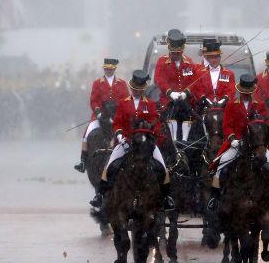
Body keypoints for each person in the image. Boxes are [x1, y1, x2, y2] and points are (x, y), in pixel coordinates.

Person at [90, 71, 174, 210]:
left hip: (145, 143)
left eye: (140, 90)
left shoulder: (150, 105)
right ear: (132, 88)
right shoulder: (123, 104)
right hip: (126, 141)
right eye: (135, 90)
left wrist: (153, 133)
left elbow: (156, 123)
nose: (137, 92)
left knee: (162, 166)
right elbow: (117, 123)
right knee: (110, 164)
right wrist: (120, 136)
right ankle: (100, 195)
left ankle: (166, 197)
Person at [208, 74, 269, 210]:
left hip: (256, 144)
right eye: (244, 93)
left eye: (249, 93)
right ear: (240, 91)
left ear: (252, 92)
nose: (246, 95)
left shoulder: (260, 105)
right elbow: (227, 125)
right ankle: (214, 199)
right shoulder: (231, 105)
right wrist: (232, 138)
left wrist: (261, 127)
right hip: (237, 143)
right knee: (220, 167)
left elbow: (268, 123)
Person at [74, 57, 127, 172]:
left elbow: (125, 100)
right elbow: (94, 100)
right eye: (106, 69)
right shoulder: (97, 83)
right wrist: (98, 112)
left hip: (117, 116)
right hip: (101, 116)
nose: (108, 71)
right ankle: (83, 161)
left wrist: (120, 113)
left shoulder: (122, 84)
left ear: (114, 69)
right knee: (87, 134)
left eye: (110, 69)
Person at [154, 29, 199, 108]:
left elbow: (195, 80)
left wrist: (186, 93)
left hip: (187, 102)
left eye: (179, 53)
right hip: (168, 102)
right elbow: (158, 79)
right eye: (174, 53)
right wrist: (170, 93)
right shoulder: (162, 62)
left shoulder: (189, 62)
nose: (176, 55)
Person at [192, 39, 236, 110]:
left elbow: (231, 90)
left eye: (216, 57)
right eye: (211, 57)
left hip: (223, 108)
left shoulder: (229, 73)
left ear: (220, 58)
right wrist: (206, 100)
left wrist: (222, 101)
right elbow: (197, 90)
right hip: (205, 108)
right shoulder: (200, 73)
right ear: (207, 58)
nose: (214, 60)